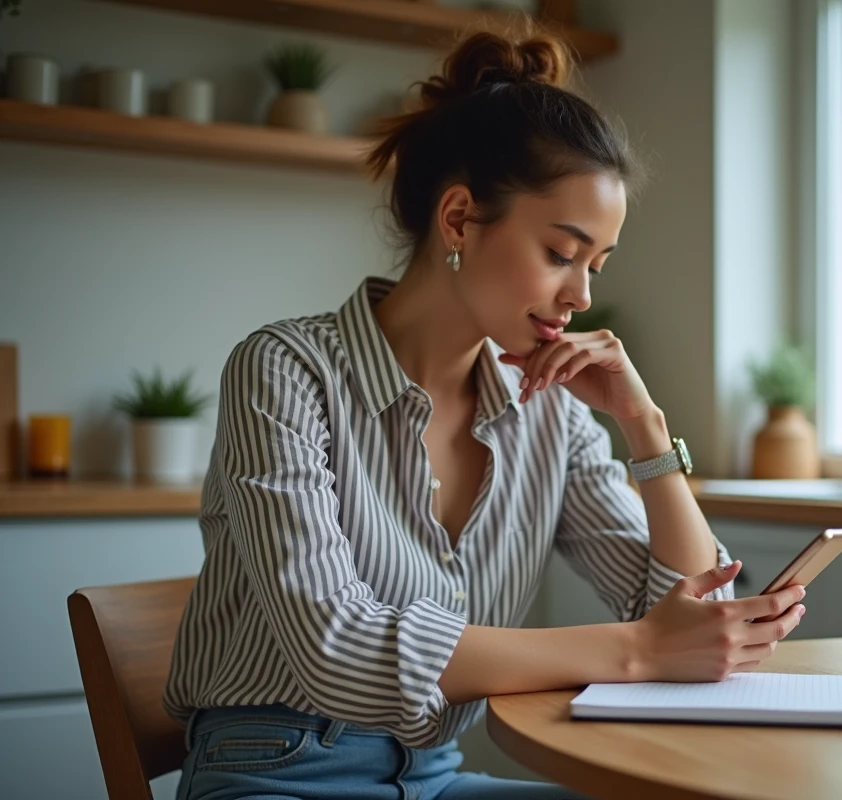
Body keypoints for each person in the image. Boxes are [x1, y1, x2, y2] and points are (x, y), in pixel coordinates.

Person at [164, 29, 807, 800]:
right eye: (562, 253)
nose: (582, 297)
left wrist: (643, 424)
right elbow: (336, 647)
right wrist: (636, 651)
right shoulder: (286, 371)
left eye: (596, 266)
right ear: (461, 218)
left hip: (437, 777)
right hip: (279, 769)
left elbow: (698, 617)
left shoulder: (548, 414)